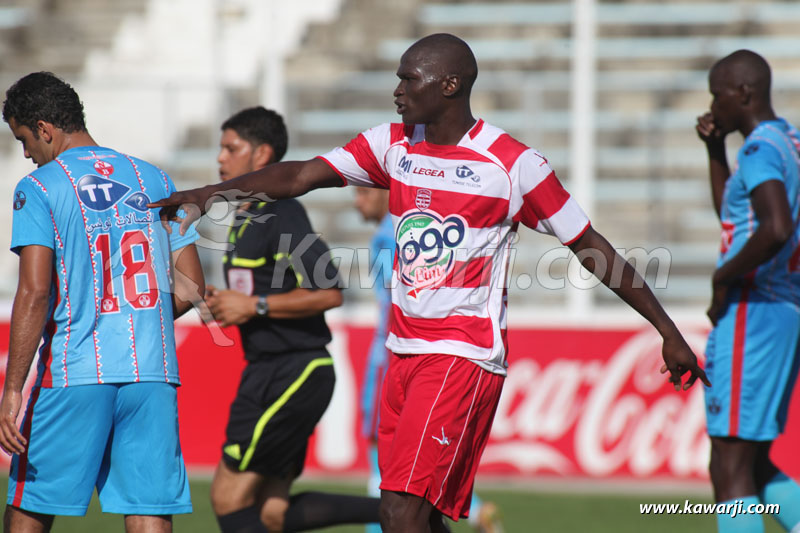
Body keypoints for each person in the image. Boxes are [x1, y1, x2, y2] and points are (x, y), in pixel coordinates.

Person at [152, 34, 709, 533]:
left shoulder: (513, 164)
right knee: (417, 517)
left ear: (449, 85)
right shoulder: (394, 143)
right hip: (403, 352)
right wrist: (208, 196)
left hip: (461, 355)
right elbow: (301, 175)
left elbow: (590, 246)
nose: (397, 89)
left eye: (407, 78)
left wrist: (666, 329)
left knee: (399, 512)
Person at [0, 72, 205, 533]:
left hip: (76, 372)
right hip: (152, 372)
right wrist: (140, 316)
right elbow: (193, 285)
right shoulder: (154, 178)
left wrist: (12, 388)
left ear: (45, 128)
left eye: (24, 139)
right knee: (149, 508)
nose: (27, 153)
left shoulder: (40, 187)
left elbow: (33, 293)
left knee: (32, 503)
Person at [205, 106, 381, 533]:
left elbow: (329, 292)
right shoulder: (247, 215)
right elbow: (257, 290)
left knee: (227, 497)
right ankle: (401, 516)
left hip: (294, 371)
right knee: (271, 513)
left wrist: (255, 307)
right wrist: (224, 301)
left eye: (232, 148)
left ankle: (402, 515)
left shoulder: (282, 213)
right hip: (269, 369)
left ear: (262, 154)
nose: (220, 158)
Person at [353, 186, 503, 533]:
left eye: (363, 193)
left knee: (392, 463)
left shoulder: (395, 232)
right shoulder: (390, 231)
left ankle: (385, 526)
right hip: (400, 351)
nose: (357, 201)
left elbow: (404, 299)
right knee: (412, 465)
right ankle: (479, 513)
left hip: (396, 354)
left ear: (383, 194)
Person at [696, 50, 800, 533]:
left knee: (730, 465)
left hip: (754, 310)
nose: (713, 105)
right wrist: (715, 152)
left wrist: (723, 279)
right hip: (783, 309)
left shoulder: (759, 149)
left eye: (717, 94)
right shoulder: (789, 142)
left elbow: (776, 227)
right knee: (753, 463)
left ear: (743, 92)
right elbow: (738, 217)